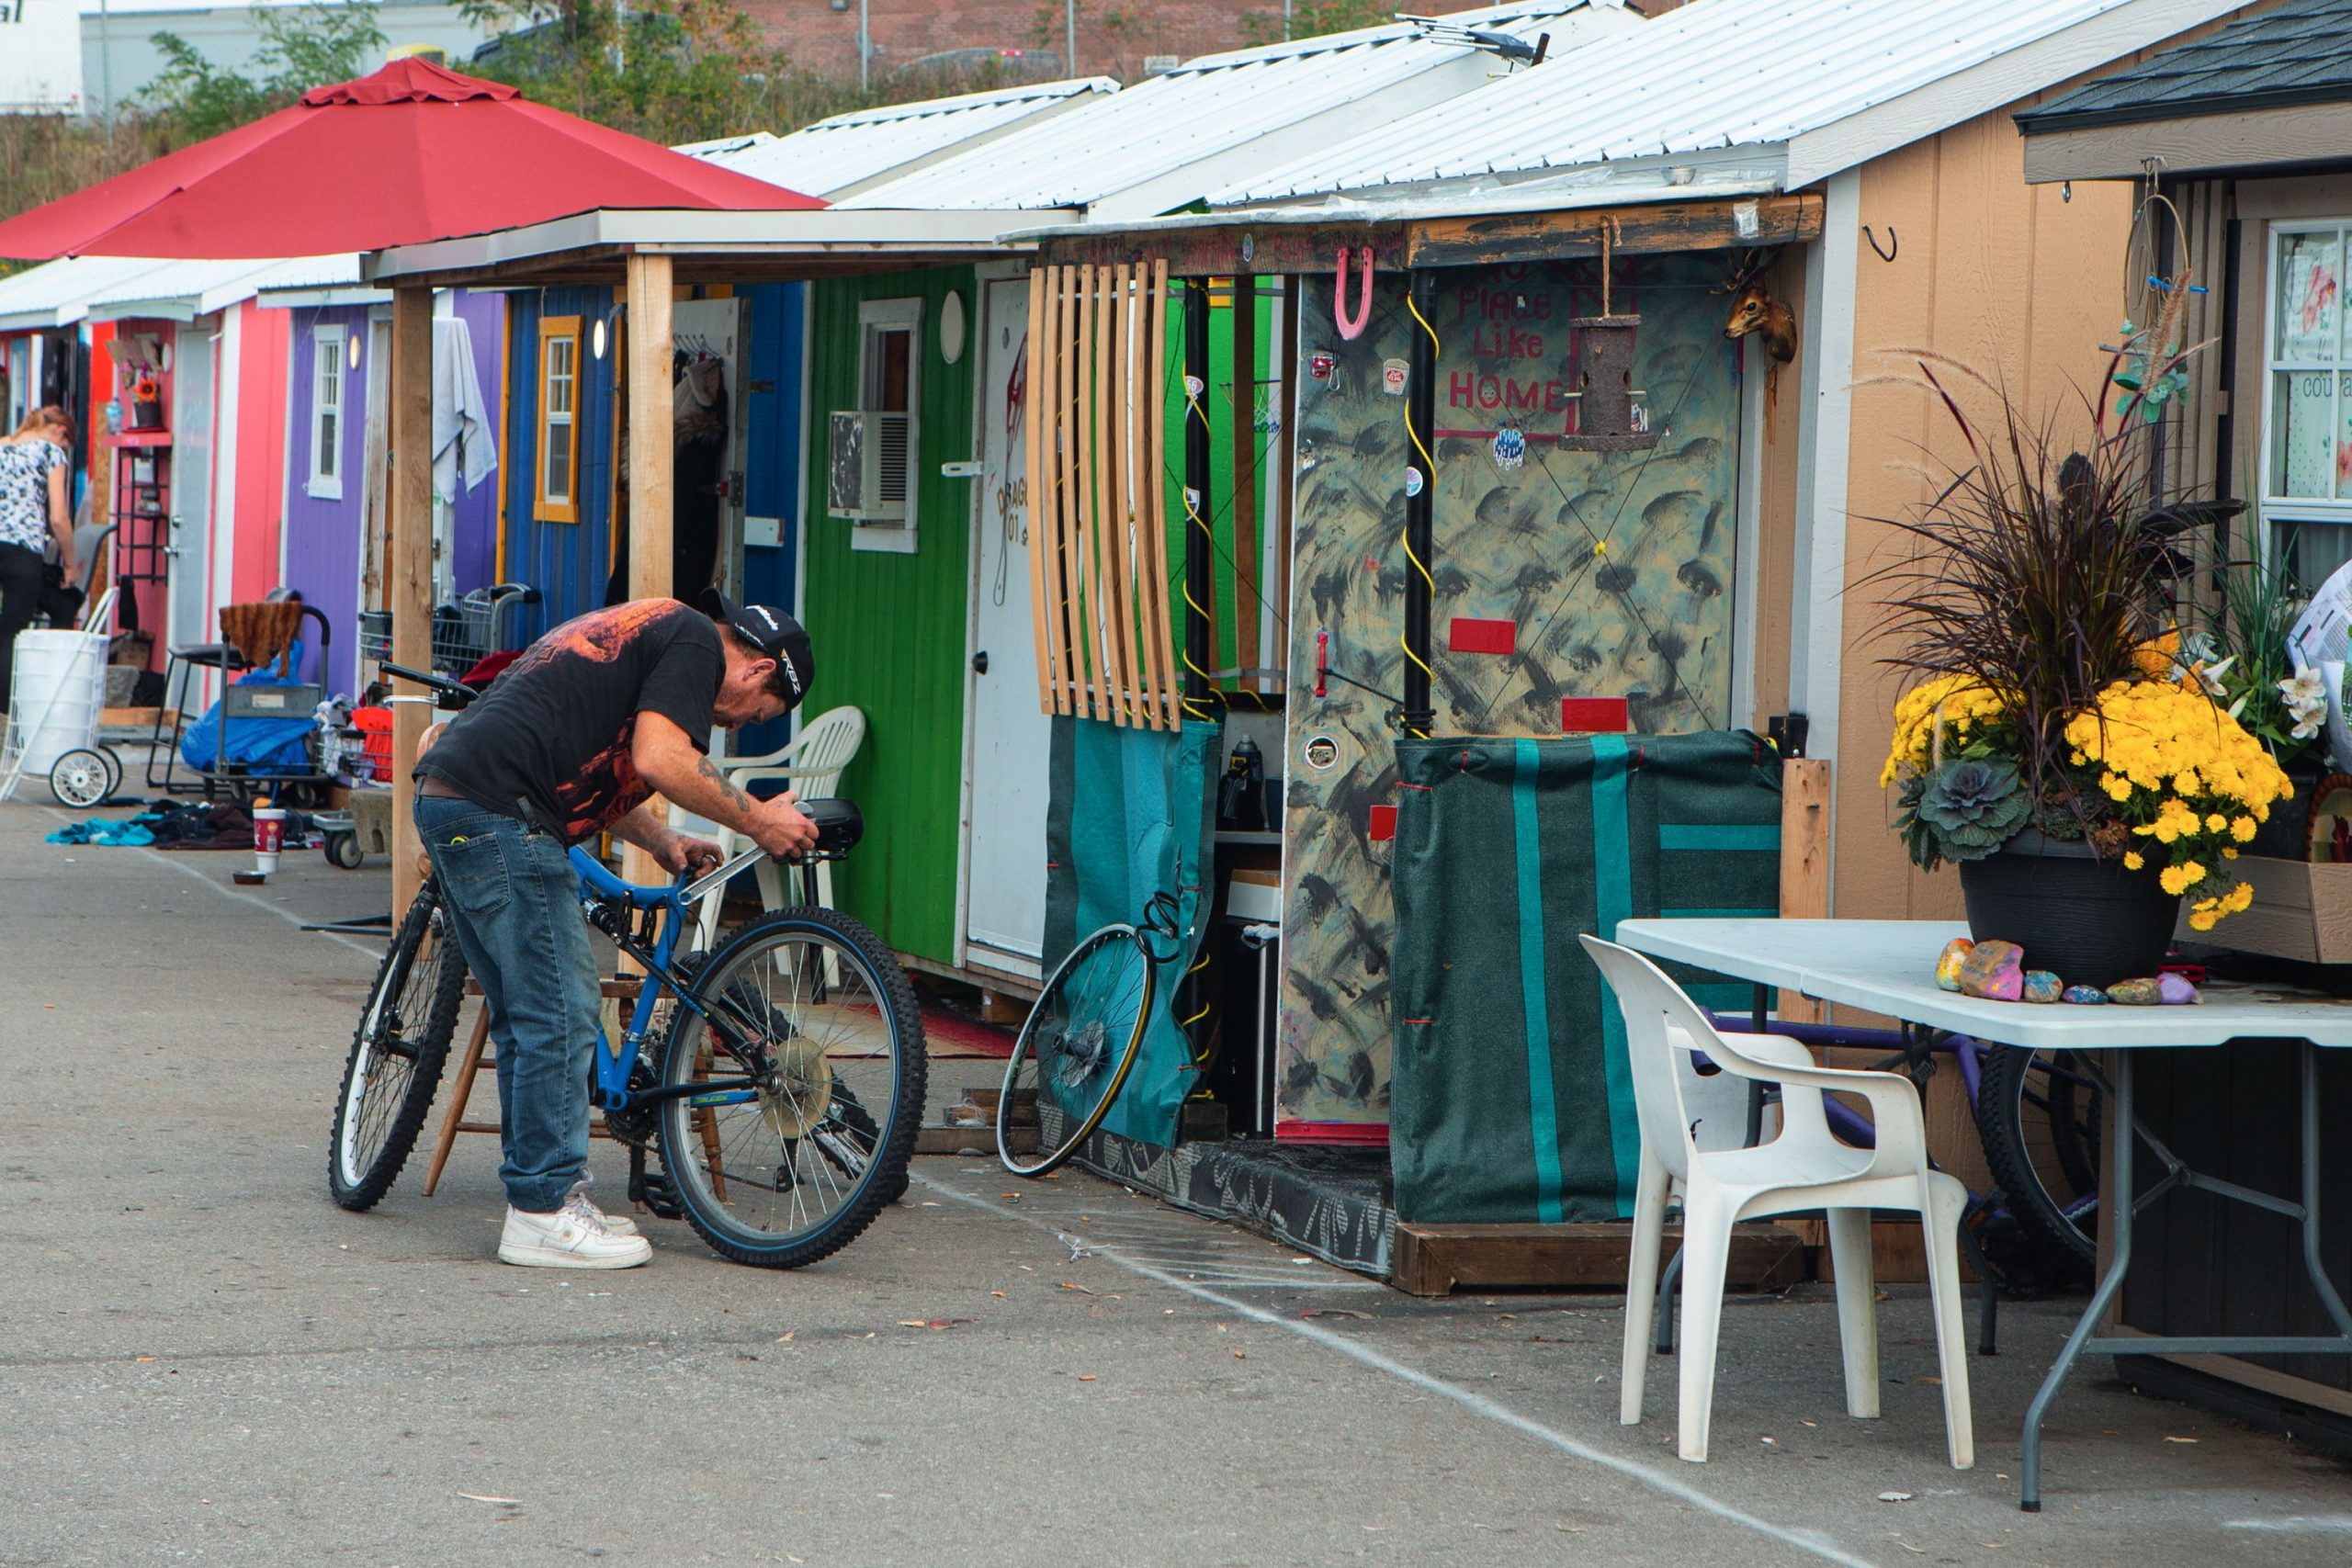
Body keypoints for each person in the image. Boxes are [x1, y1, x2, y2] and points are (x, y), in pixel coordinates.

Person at [413, 589, 820, 1269]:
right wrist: (760, 819)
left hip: (455, 800)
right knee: (564, 1010)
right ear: (756, 671)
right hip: (503, 813)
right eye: (759, 714)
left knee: (525, 1017)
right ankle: (542, 1212)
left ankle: (541, 1195)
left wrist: (660, 838)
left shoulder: (650, 628)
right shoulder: (693, 639)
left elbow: (600, 759)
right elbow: (663, 758)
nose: (741, 725)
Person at [0, 406, 79, 709]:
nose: (63, 451)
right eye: (65, 446)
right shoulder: (49, 452)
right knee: (12, 634)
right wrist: (70, 563)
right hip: (22, 552)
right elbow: (58, 517)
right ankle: (12, 722)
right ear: (60, 431)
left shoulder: (3, 445)